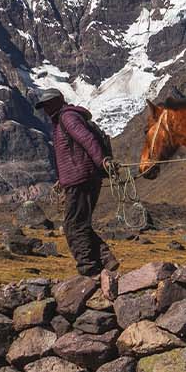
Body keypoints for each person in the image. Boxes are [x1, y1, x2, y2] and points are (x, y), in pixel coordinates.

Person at [35, 90, 119, 277]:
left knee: (73, 226)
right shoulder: (63, 120)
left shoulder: (68, 118)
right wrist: (62, 179)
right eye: (44, 106)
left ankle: (88, 268)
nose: (46, 109)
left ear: (58, 101)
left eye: (48, 104)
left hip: (81, 178)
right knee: (80, 223)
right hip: (78, 177)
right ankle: (105, 258)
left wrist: (102, 160)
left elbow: (86, 140)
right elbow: (73, 150)